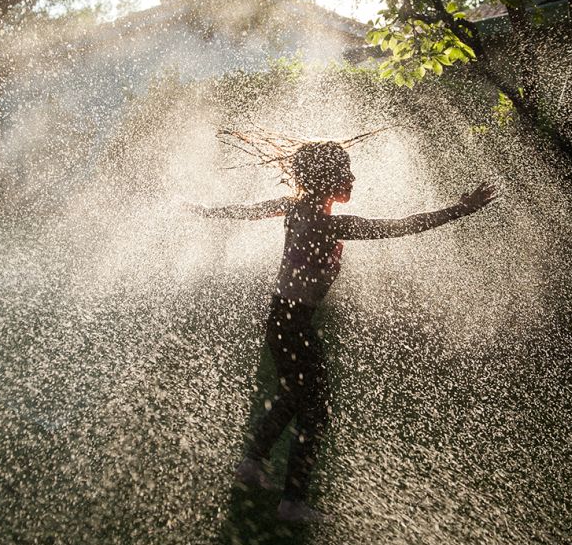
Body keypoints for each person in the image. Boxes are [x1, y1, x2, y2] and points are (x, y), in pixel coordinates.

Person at [194, 140, 499, 522]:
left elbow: (247, 210)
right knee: (315, 410)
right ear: (328, 179)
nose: (352, 177)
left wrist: (205, 210)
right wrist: (461, 209)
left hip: (283, 318)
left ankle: (251, 464)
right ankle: (292, 502)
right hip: (293, 320)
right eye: (345, 171)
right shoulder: (329, 223)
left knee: (292, 394)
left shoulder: (294, 208)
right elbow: (403, 227)